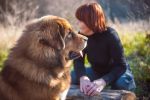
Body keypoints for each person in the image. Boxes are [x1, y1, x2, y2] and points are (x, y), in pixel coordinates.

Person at [71, 3, 136, 96]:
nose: (77, 23)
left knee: (122, 84)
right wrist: (83, 77)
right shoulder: (81, 35)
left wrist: (103, 81)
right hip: (96, 71)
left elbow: (121, 65)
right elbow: (78, 61)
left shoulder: (110, 35)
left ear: (91, 20)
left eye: (81, 20)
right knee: (71, 76)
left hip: (117, 71)